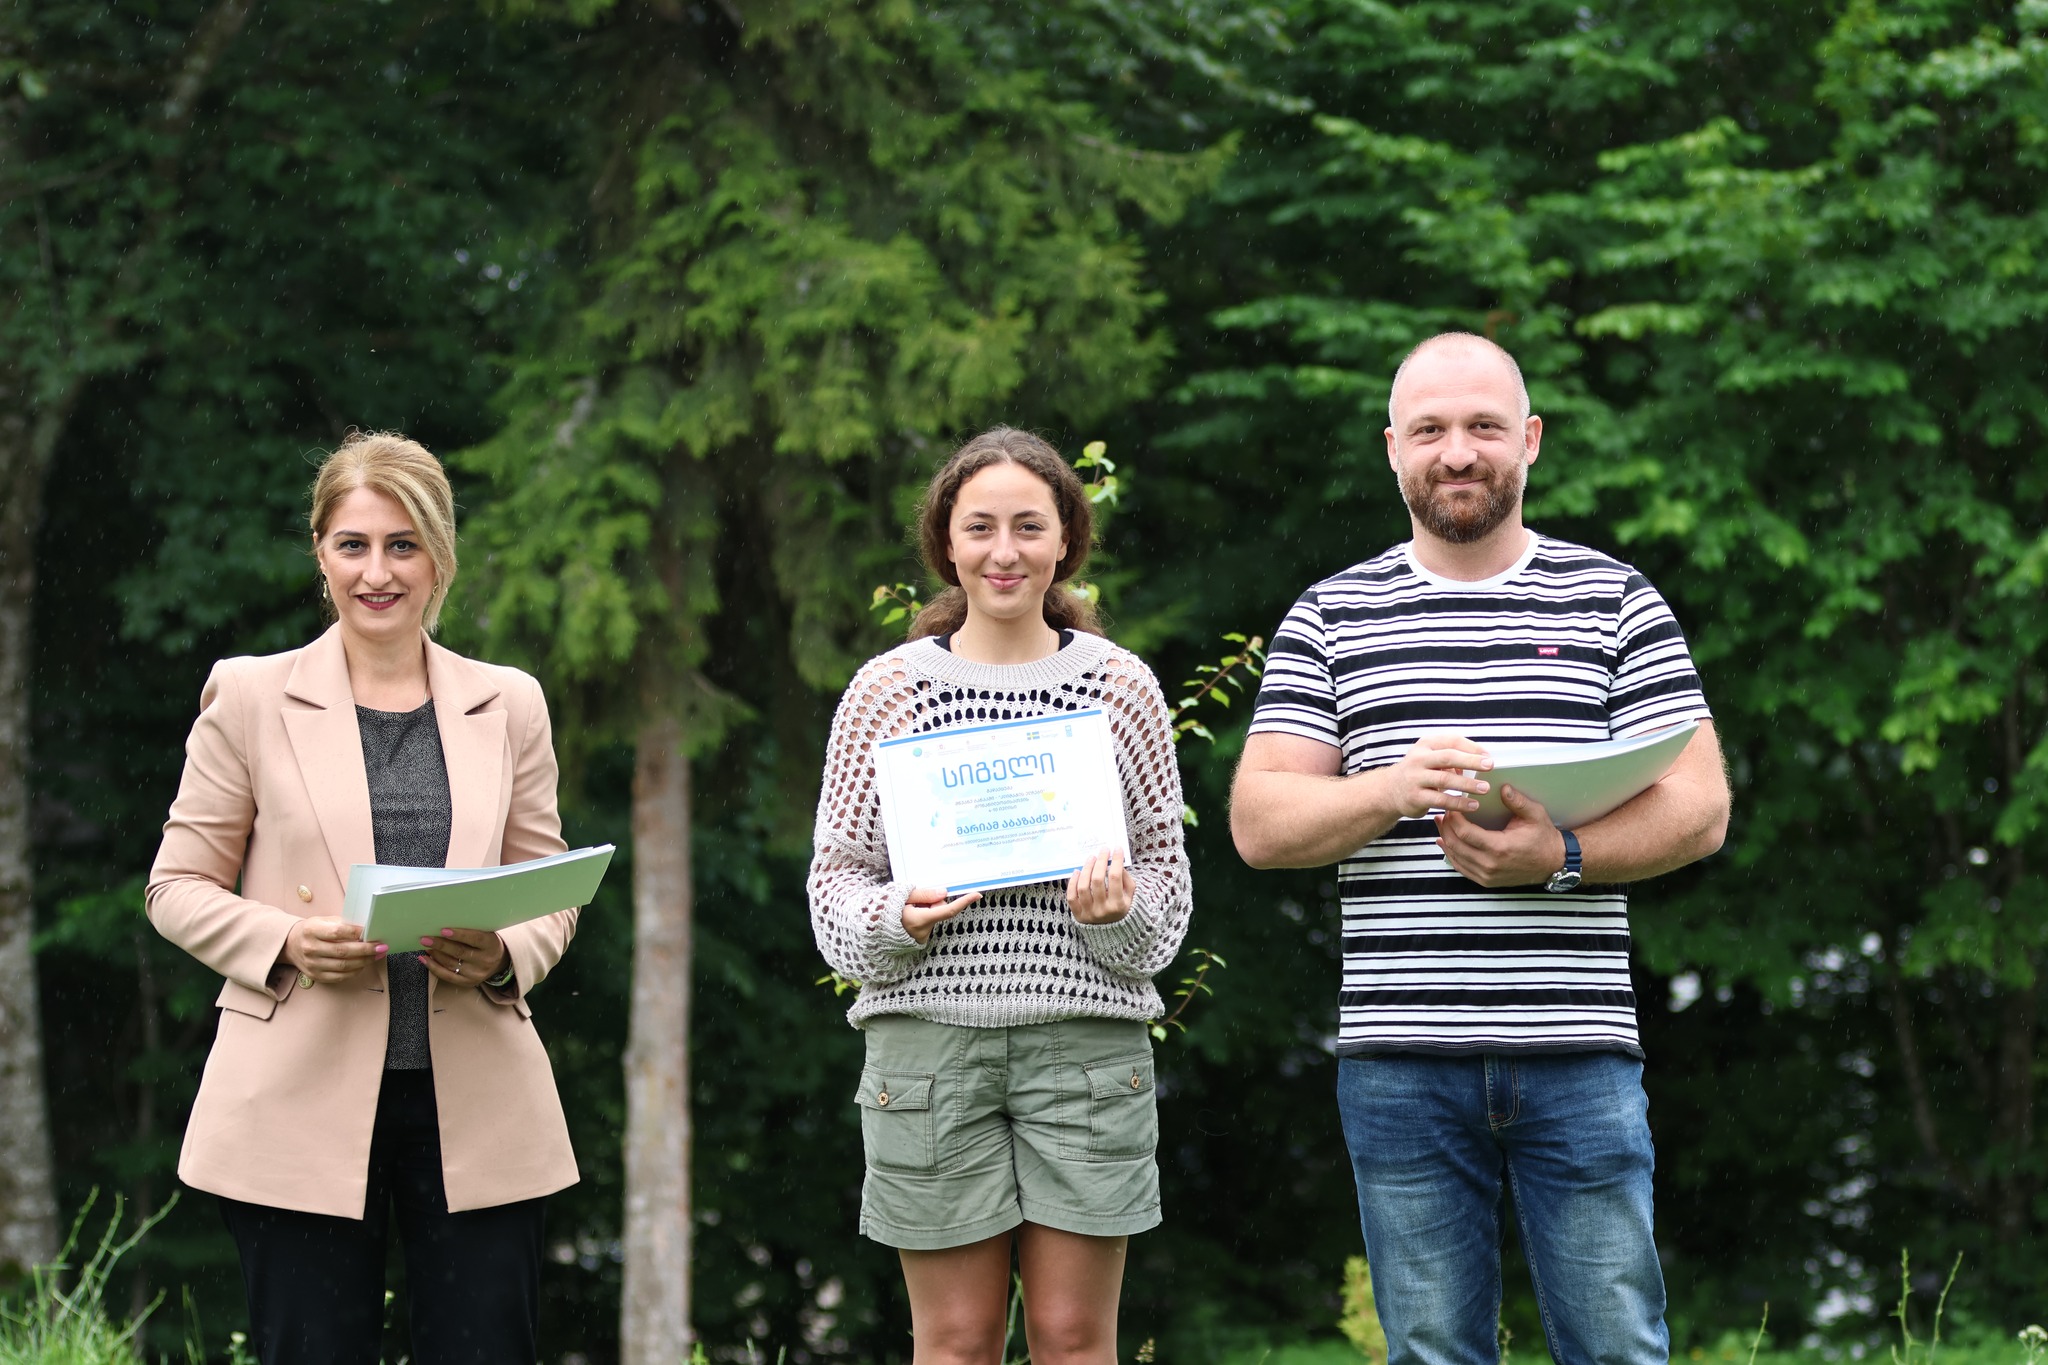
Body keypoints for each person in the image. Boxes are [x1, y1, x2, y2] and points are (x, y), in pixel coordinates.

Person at [1230, 334, 1731, 1365]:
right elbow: (1260, 823)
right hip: (1399, 1058)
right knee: (1431, 1356)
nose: (1456, 452)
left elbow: (1701, 807)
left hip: (1578, 1049)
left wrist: (1561, 855)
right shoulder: (1330, 615)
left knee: (1617, 1349)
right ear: (1392, 450)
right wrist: (1388, 788)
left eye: (1482, 427)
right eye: (1429, 430)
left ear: (1529, 440)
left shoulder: (1614, 599)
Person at [146, 431, 578, 1365]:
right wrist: (286, 940)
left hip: (478, 1103)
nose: (377, 572)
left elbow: (550, 890)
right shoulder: (249, 696)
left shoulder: (512, 703)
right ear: (321, 554)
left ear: (439, 557)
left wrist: (506, 951)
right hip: (295, 1099)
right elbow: (174, 887)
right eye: (354, 545)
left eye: (402, 545)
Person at [808, 427, 1192, 1365]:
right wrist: (893, 918)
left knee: (1073, 1340)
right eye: (980, 526)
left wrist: (1118, 916)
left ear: (1066, 540)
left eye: (1029, 525)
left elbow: (1168, 894)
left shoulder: (1121, 688)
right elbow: (833, 886)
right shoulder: (887, 691)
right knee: (955, 1342)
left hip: (1086, 1046)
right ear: (946, 541)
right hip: (929, 1050)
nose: (1004, 550)